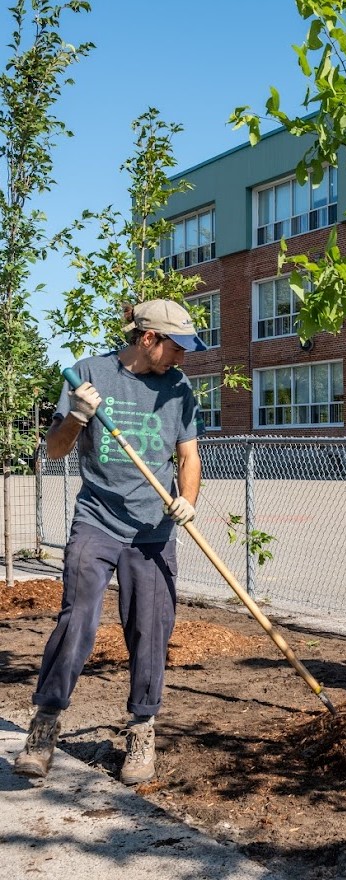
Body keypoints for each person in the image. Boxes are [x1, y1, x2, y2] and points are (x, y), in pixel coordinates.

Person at [14, 299, 206, 784]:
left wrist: (188, 500)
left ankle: (142, 729)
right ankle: (45, 723)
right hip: (97, 519)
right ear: (147, 339)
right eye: (175, 347)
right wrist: (77, 415)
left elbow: (188, 456)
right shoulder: (87, 374)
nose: (182, 358)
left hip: (153, 531)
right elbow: (55, 449)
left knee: (150, 629)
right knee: (77, 618)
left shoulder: (179, 388)